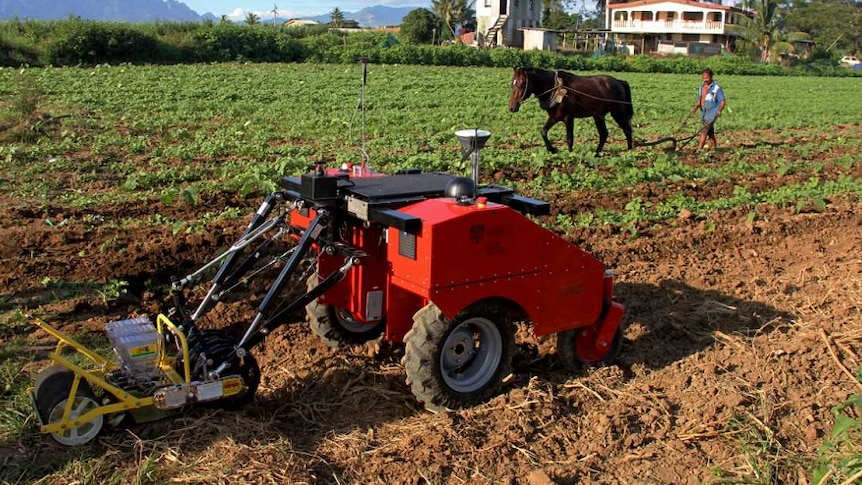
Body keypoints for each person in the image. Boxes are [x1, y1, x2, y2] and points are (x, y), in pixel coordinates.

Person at [690, 68, 726, 151]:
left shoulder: (716, 88)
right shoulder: (701, 87)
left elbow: (722, 101)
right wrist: (695, 108)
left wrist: (719, 110)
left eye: (707, 79)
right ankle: (715, 148)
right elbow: (700, 100)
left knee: (704, 131)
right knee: (710, 132)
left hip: (712, 113)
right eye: (704, 79)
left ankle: (699, 150)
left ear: (711, 77)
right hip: (704, 113)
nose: (705, 81)